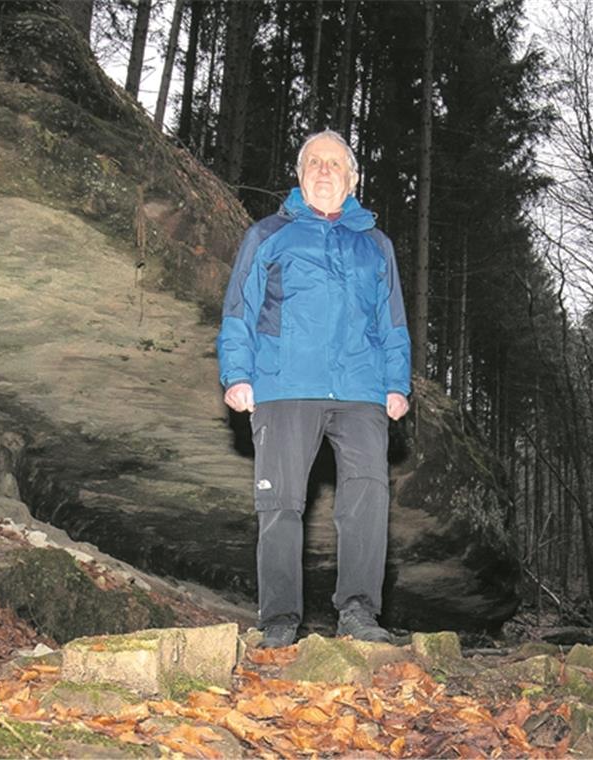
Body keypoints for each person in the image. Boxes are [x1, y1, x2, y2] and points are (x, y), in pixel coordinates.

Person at [216, 129, 411, 647]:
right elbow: (240, 309)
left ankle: (359, 613)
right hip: (284, 385)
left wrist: (397, 383)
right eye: (313, 163)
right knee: (280, 502)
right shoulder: (268, 234)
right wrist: (237, 374)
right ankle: (278, 621)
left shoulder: (376, 246)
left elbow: (392, 321)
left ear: (352, 179)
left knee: (366, 499)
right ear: (300, 177)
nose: (324, 170)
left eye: (335, 163)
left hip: (362, 390)